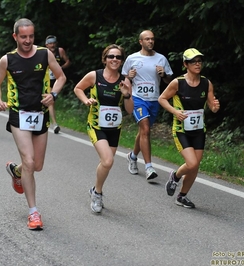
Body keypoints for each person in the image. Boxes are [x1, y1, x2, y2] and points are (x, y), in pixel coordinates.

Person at [0, 18, 66, 230]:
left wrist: (53, 94)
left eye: (31, 36)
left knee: (37, 165)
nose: (27, 40)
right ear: (15, 36)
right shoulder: (7, 60)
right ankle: (34, 213)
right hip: (18, 114)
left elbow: (61, 77)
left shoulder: (45, 54)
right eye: (23, 37)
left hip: (40, 113)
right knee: (30, 161)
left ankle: (17, 172)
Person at [74, 44, 133, 213]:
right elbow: (78, 88)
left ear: (122, 61)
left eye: (118, 57)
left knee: (106, 163)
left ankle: (95, 189)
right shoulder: (95, 75)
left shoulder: (125, 80)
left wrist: (127, 94)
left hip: (114, 127)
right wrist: (86, 100)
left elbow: (129, 110)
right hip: (96, 125)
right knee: (108, 160)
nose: (115, 60)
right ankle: (97, 194)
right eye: (111, 57)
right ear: (105, 59)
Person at [158, 48, 220, 208]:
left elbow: (212, 105)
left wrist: (215, 107)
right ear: (186, 64)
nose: (197, 64)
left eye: (199, 61)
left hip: (199, 130)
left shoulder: (206, 83)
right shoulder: (178, 83)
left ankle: (182, 196)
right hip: (181, 130)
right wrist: (175, 111)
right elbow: (162, 98)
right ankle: (175, 177)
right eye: (193, 61)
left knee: (195, 167)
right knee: (191, 163)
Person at [122, 30, 173, 180]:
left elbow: (170, 82)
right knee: (145, 128)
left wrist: (164, 75)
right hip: (138, 98)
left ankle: (132, 156)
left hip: (154, 99)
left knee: (144, 131)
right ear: (141, 42)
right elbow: (123, 80)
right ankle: (149, 167)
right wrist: (128, 78)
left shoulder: (161, 59)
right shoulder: (132, 58)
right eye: (147, 39)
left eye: (152, 39)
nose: (150, 41)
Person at [45, 35, 71, 134]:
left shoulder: (60, 51)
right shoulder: (43, 53)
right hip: (47, 80)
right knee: (50, 101)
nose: (52, 45)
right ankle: (54, 123)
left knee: (50, 100)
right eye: (50, 43)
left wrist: (61, 68)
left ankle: (53, 122)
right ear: (46, 45)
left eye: (54, 43)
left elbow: (68, 61)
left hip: (57, 80)